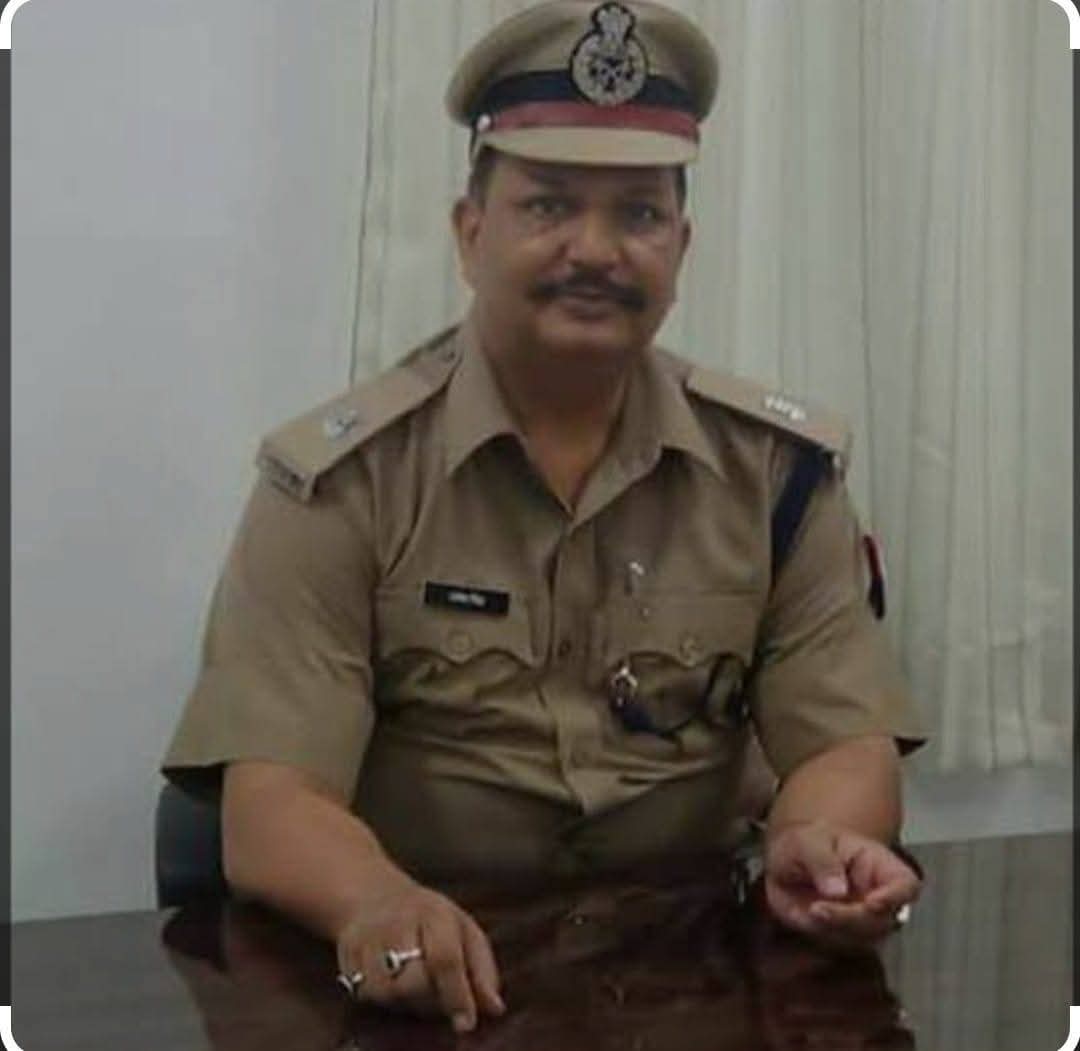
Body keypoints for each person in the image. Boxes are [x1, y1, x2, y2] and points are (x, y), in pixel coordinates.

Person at [163, 0, 925, 1035]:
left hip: (690, 981)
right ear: (470, 232)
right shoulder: (344, 482)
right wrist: (375, 903)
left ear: (682, 245)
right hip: (429, 985)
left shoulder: (776, 478)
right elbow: (272, 806)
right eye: (548, 205)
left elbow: (844, 742)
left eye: (639, 215)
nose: (595, 249)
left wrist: (818, 839)